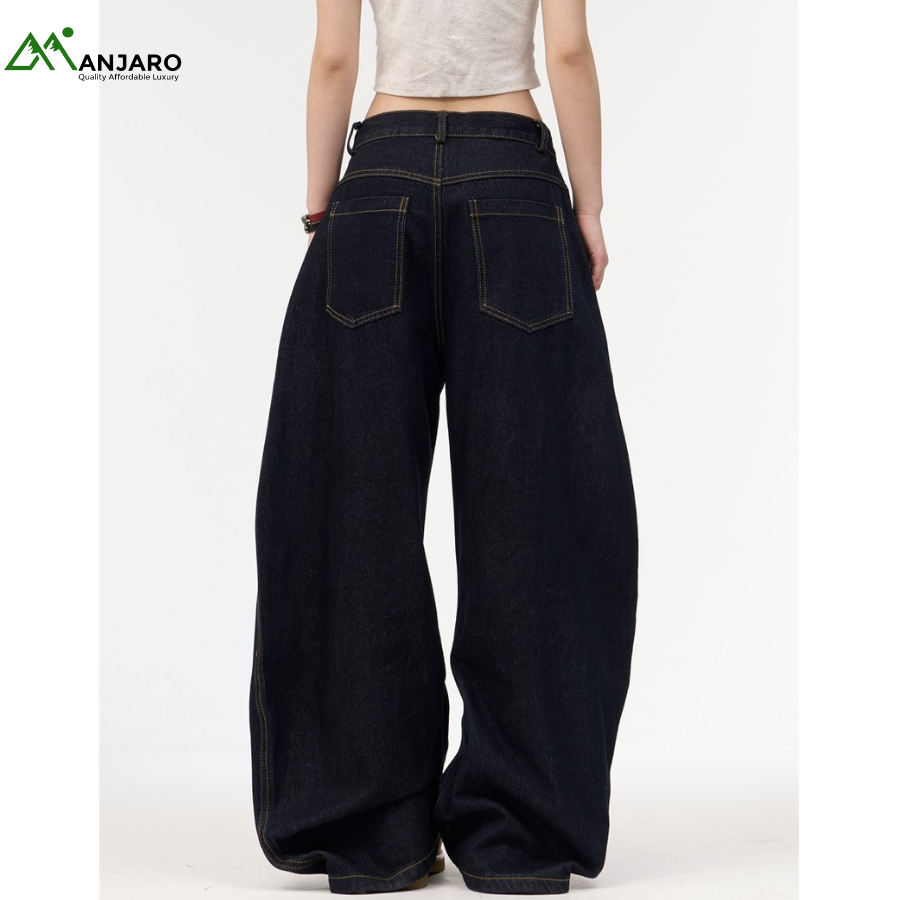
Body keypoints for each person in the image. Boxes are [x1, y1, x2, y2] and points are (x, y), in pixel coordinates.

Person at [249, 0, 639, 894]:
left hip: (377, 183)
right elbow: (568, 52)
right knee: (536, 513)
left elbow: (335, 61)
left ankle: (370, 833)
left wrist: (321, 206)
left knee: (352, 513)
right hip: (516, 182)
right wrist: (589, 204)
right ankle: (521, 838)